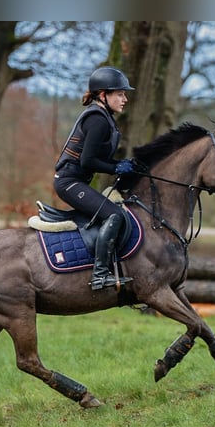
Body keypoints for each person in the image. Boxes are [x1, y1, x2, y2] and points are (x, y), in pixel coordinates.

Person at [54, 66, 138, 291]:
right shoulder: (98, 119)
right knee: (114, 215)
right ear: (103, 95)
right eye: (120, 94)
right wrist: (116, 167)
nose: (125, 99)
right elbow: (87, 161)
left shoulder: (105, 117)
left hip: (76, 182)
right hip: (69, 183)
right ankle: (100, 275)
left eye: (124, 94)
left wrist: (124, 166)